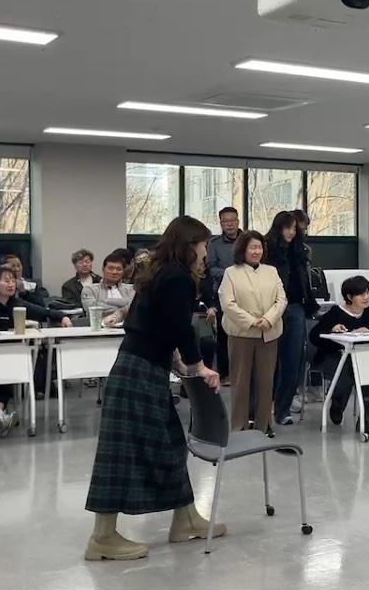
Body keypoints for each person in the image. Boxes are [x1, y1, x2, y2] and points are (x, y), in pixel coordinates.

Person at [84, 215, 223, 562]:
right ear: (189, 245)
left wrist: (174, 360)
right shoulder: (178, 277)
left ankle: (186, 518)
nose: (206, 252)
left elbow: (149, 322)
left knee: (171, 443)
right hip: (139, 371)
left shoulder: (159, 273)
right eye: (204, 245)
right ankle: (102, 537)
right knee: (121, 452)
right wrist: (198, 365)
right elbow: (181, 328)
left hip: (137, 364)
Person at [0, 265, 72, 432]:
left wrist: (63, 317)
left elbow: (43, 312)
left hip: (8, 354)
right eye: (6, 281)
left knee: (10, 368)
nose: (11, 284)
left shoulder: (17, 303)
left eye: (13, 281)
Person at [309, 276, 369, 436]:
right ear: (349, 297)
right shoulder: (336, 313)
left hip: (361, 356)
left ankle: (365, 419)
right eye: (361, 294)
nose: (366, 297)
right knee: (346, 374)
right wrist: (332, 330)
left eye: (367, 292)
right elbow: (314, 335)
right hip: (334, 356)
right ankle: (338, 402)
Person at [219, 230, 286, 435]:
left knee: (266, 381)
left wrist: (268, 319)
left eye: (259, 247)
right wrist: (252, 321)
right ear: (243, 249)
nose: (257, 251)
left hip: (269, 333)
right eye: (252, 247)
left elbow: (281, 299)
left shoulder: (271, 271)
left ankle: (263, 424)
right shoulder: (231, 272)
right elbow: (228, 303)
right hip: (241, 334)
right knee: (240, 382)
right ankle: (239, 426)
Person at [264, 211, 318, 425]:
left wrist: (311, 306)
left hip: (295, 307)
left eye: (295, 228)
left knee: (293, 360)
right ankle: (263, 407)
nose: (291, 232)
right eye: (288, 227)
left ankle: (283, 408)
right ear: (279, 228)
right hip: (271, 309)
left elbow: (305, 281)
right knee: (269, 361)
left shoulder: (299, 251)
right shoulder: (267, 251)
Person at [206, 207, 241, 382]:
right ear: (220, 223)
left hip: (246, 292)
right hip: (223, 293)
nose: (229, 224)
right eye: (225, 221)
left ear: (238, 221)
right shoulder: (214, 244)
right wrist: (231, 273)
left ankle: (242, 373)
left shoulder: (247, 240)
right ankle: (225, 374)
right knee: (224, 335)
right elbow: (211, 268)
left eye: (232, 220)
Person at [82, 252, 135, 319]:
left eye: (119, 269)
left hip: (127, 324)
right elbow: (93, 309)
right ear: (103, 269)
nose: (114, 272)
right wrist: (124, 308)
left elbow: (133, 307)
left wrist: (105, 301)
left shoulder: (131, 289)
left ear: (123, 272)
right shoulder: (90, 289)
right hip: (100, 323)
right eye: (111, 268)